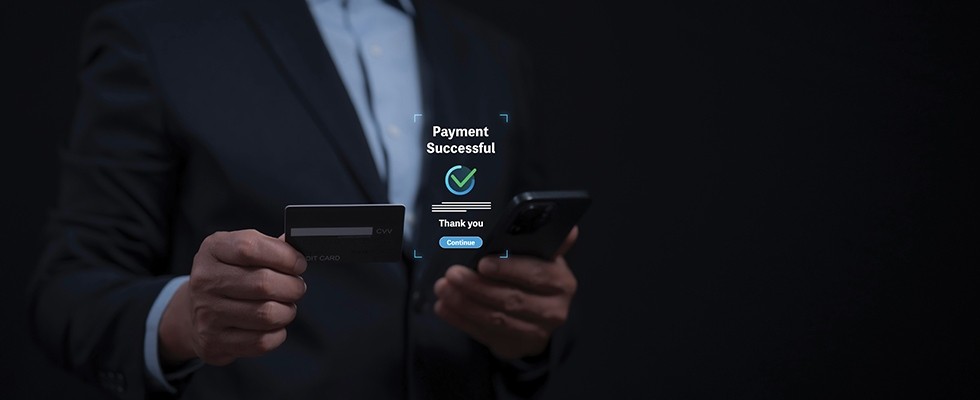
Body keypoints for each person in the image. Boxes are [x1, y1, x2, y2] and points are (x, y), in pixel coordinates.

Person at [27, 0, 581, 398]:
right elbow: (68, 291)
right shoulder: (158, 31)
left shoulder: (493, 57)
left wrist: (529, 331)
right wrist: (183, 319)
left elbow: (526, 284)